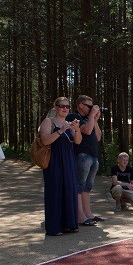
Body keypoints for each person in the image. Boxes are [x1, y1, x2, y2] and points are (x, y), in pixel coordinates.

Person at [39, 98, 81, 236]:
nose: (65, 108)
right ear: (55, 107)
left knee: (69, 190)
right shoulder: (48, 122)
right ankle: (54, 227)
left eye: (67, 106)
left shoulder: (70, 123)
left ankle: (69, 224)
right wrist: (60, 131)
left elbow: (78, 141)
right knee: (55, 191)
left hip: (68, 160)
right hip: (54, 160)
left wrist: (77, 130)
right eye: (61, 106)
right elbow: (45, 140)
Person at [66, 95, 102, 227]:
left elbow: (98, 137)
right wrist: (92, 116)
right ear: (80, 105)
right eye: (89, 106)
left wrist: (95, 119)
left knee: (87, 187)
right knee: (79, 186)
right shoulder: (73, 117)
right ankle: (80, 216)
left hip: (93, 156)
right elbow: (86, 131)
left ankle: (88, 214)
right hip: (82, 155)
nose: (91, 109)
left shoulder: (90, 119)